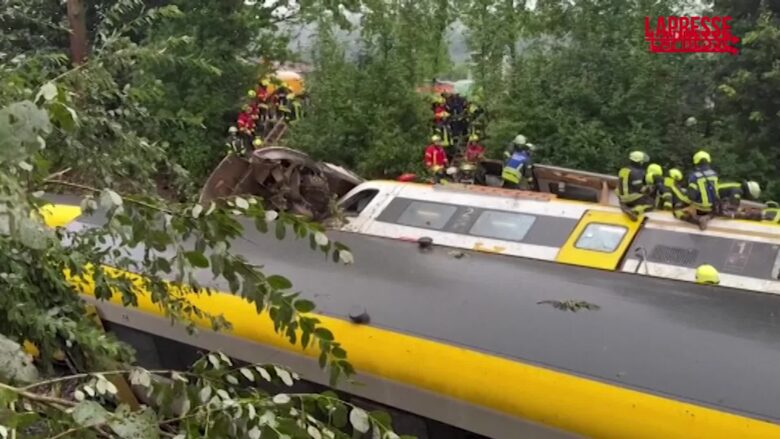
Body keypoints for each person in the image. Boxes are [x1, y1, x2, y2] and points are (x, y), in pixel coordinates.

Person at [687, 150, 719, 229]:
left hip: (699, 208)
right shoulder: (714, 174)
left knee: (679, 212)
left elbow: (691, 196)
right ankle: (708, 217)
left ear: (696, 162)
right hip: (712, 206)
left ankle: (697, 220)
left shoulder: (694, 176)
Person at [617, 151, 652, 221]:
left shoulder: (623, 170)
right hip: (632, 197)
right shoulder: (638, 172)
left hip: (622, 198)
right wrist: (649, 189)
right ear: (639, 161)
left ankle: (625, 205)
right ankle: (634, 212)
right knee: (651, 203)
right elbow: (640, 188)